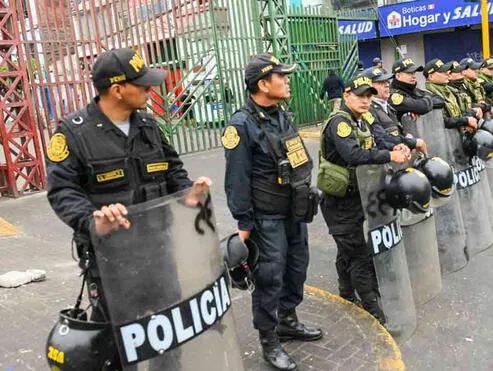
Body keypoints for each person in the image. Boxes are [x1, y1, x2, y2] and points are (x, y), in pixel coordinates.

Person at [46, 48, 211, 367]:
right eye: (143, 85)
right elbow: (63, 190)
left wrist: (187, 192)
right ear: (117, 89)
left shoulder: (148, 125)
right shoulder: (73, 133)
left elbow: (172, 167)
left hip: (159, 251)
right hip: (112, 261)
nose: (151, 90)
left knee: (167, 334)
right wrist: (91, 220)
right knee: (121, 342)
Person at [223, 53, 322, 371]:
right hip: (266, 219)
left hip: (294, 211)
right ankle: (269, 341)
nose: (287, 80)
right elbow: (237, 181)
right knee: (269, 277)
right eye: (281, 76)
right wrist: (244, 223)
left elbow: (295, 157)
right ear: (263, 84)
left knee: (297, 268)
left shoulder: (281, 114)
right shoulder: (240, 125)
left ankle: (288, 322)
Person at [317, 75, 410, 324]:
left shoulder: (362, 120)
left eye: (369, 96)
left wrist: (399, 145)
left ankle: (346, 293)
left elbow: (380, 138)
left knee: (347, 249)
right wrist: (388, 155)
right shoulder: (341, 122)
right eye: (360, 95)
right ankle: (373, 309)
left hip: (357, 196)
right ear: (347, 96)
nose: (366, 101)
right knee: (358, 255)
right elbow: (353, 154)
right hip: (338, 201)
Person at [363, 67, 427, 153]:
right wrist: (412, 142)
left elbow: (396, 128)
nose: (387, 85)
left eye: (387, 81)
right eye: (381, 82)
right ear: (368, 87)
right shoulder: (368, 109)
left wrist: (406, 135)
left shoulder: (386, 106)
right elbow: (383, 138)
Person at [423, 59, 479, 133]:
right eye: (442, 72)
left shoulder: (449, 90)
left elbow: (458, 113)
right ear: (431, 76)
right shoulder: (427, 93)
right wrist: (465, 121)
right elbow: (441, 121)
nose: (447, 73)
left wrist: (470, 116)